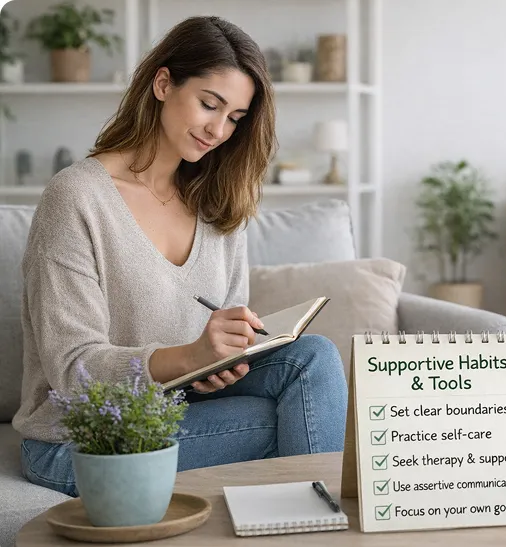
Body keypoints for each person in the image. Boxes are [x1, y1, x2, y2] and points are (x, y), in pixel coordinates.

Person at [13, 16, 348, 497]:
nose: (218, 129)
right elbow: (74, 371)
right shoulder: (77, 197)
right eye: (209, 104)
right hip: (81, 441)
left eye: (234, 117)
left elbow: (220, 340)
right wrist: (192, 356)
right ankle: (321, 525)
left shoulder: (217, 202)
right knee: (289, 418)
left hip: (178, 406)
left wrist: (219, 363)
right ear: (164, 83)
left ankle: (311, 522)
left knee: (313, 357)